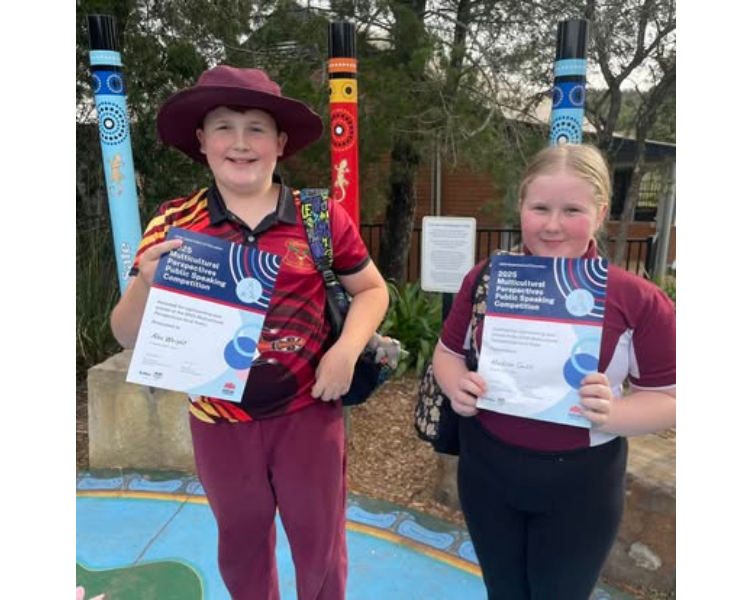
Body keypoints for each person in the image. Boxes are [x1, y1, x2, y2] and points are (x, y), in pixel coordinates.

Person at [110, 65, 389, 600]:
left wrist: (346, 352)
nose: (240, 142)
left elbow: (373, 290)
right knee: (241, 546)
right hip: (220, 423)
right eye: (224, 126)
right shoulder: (175, 221)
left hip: (309, 414)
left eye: (256, 127)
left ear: (280, 142)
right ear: (201, 140)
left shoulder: (317, 216)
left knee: (320, 546)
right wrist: (146, 280)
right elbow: (125, 334)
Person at [432, 143, 675, 600]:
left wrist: (613, 413)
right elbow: (445, 353)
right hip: (488, 470)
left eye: (572, 210)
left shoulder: (637, 299)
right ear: (521, 205)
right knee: (502, 591)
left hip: (581, 484)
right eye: (539, 207)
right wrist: (455, 385)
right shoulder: (486, 279)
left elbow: (671, 398)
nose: (552, 225)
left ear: (601, 213)